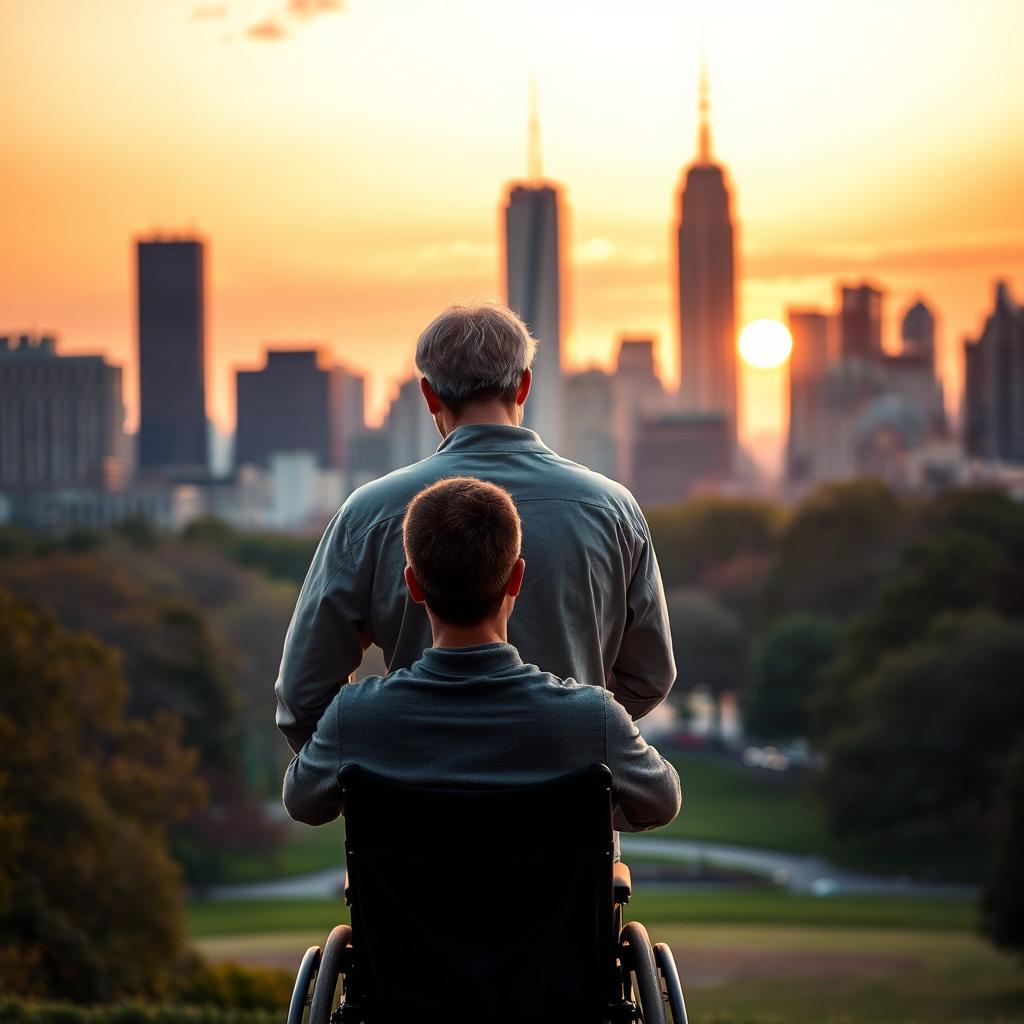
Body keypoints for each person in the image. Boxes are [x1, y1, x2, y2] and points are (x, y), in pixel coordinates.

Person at [276, 301, 675, 755]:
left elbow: (302, 698)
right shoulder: (612, 509)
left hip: (415, 814)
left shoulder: (367, 515)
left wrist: (378, 769)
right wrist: (566, 738)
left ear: (429, 395)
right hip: (565, 820)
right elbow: (649, 677)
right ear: (523, 386)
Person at [283, 477, 680, 831]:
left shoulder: (357, 720)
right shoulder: (590, 719)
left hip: (413, 916)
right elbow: (661, 802)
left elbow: (304, 802)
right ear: (516, 578)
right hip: (551, 916)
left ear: (413, 585)